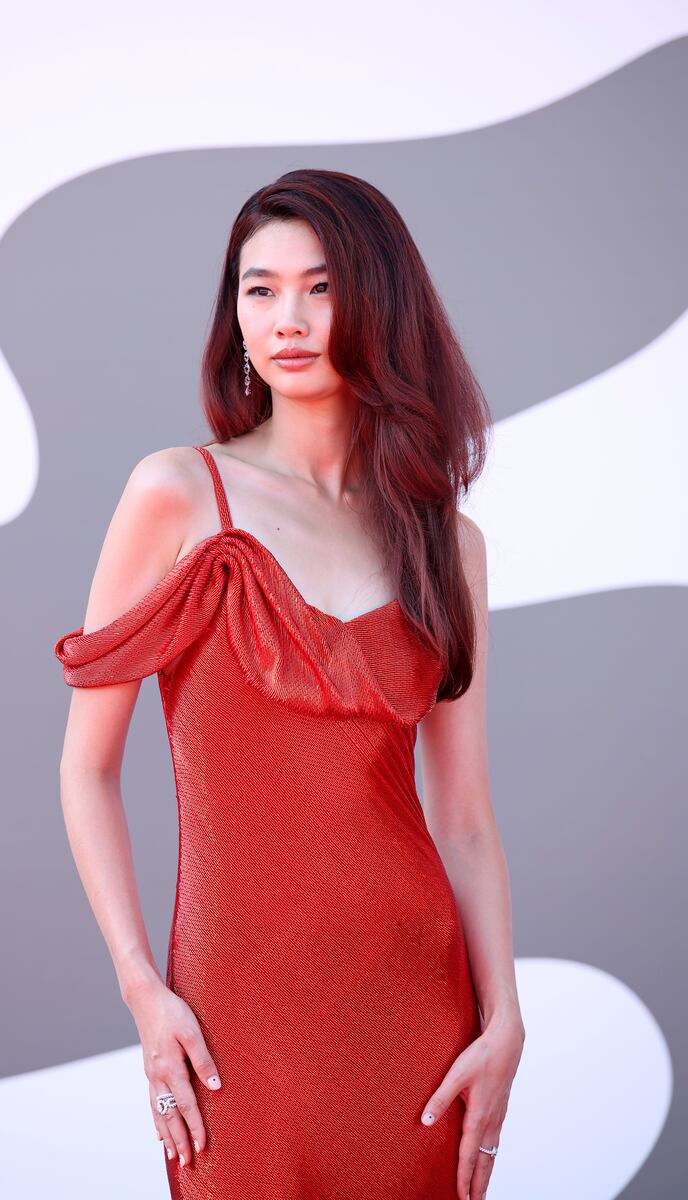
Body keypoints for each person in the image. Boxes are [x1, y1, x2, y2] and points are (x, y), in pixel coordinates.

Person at [54, 168, 525, 1200]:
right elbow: (85, 773)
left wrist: (504, 1018)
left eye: (319, 287)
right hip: (236, 1007)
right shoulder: (177, 491)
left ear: (378, 303)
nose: (288, 319)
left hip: (417, 1003)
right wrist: (144, 989)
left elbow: (463, 816)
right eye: (258, 289)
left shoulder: (448, 542)